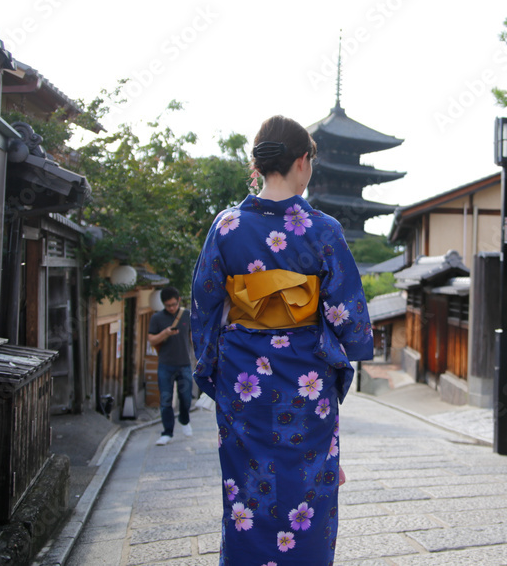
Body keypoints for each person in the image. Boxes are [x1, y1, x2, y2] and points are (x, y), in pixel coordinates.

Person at [191, 115, 373, 564]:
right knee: (308, 486)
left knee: (245, 490)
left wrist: (213, 362)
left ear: (258, 163)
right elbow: (345, 311)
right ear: (302, 162)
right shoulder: (323, 229)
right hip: (305, 378)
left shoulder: (227, 226)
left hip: (243, 380)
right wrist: (348, 343)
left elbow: (204, 302)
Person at [148, 286, 194, 446]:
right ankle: (167, 432)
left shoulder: (187, 315)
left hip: (184, 363)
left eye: (174, 304)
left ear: (179, 300)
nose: (172, 308)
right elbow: (152, 340)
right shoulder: (157, 318)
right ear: (163, 304)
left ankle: (184, 419)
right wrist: (165, 333)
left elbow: (192, 337)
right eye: (168, 305)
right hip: (165, 364)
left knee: (186, 397)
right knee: (165, 399)